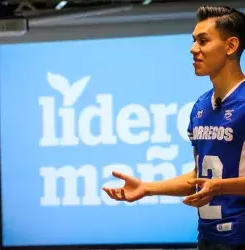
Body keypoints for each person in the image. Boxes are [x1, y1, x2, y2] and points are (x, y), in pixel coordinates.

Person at [102, 5, 245, 250]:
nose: (193, 49)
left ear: (231, 46)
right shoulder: (200, 106)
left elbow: (214, 183)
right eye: (193, 40)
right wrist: (147, 188)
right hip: (208, 240)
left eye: (203, 41)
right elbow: (200, 176)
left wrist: (220, 187)